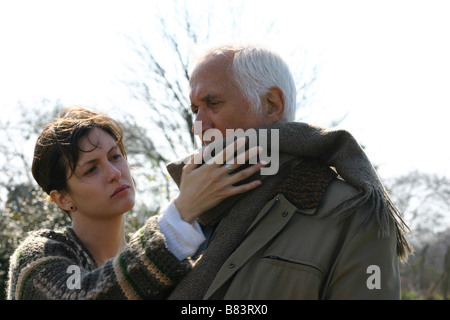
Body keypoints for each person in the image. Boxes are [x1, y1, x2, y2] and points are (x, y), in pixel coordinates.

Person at [165, 44, 414, 300]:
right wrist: (180, 214)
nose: (198, 127)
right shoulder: (187, 216)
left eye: (213, 103)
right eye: (195, 110)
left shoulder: (353, 213)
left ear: (272, 104)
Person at [6, 106, 265, 300]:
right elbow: (82, 294)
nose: (114, 173)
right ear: (63, 198)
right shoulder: (38, 257)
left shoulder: (154, 263)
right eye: (90, 170)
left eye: (115, 156)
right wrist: (181, 212)